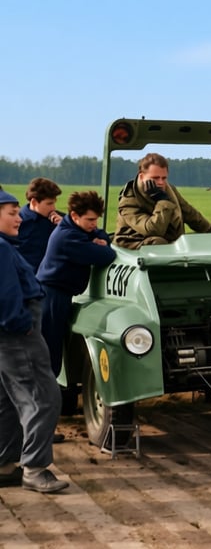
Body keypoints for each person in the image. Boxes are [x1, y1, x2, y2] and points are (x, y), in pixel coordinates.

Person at [0, 189, 69, 493]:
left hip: (9, 335)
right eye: (12, 213)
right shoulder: (1, 249)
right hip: (17, 335)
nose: (19, 218)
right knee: (44, 397)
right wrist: (22, 325)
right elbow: (5, 297)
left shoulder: (5, 246)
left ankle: (4, 465)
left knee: (8, 400)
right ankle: (35, 469)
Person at [37, 191, 116, 381]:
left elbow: (101, 234)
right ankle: (45, 391)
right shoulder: (67, 238)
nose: (94, 224)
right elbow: (106, 256)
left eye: (96, 220)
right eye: (90, 220)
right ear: (74, 216)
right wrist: (101, 244)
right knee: (50, 349)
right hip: (52, 297)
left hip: (58, 293)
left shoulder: (75, 229)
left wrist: (99, 239)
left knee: (55, 346)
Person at [114, 152, 211, 249]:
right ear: (142, 177)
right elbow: (152, 230)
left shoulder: (169, 189)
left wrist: (208, 228)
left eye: (164, 178)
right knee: (158, 243)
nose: (161, 182)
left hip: (166, 238)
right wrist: (163, 202)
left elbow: (188, 212)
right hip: (133, 241)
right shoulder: (129, 201)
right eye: (155, 178)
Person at [17, 177, 63, 271]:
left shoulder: (60, 219)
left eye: (54, 203)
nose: (53, 208)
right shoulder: (16, 221)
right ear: (34, 202)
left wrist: (65, 226)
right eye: (49, 204)